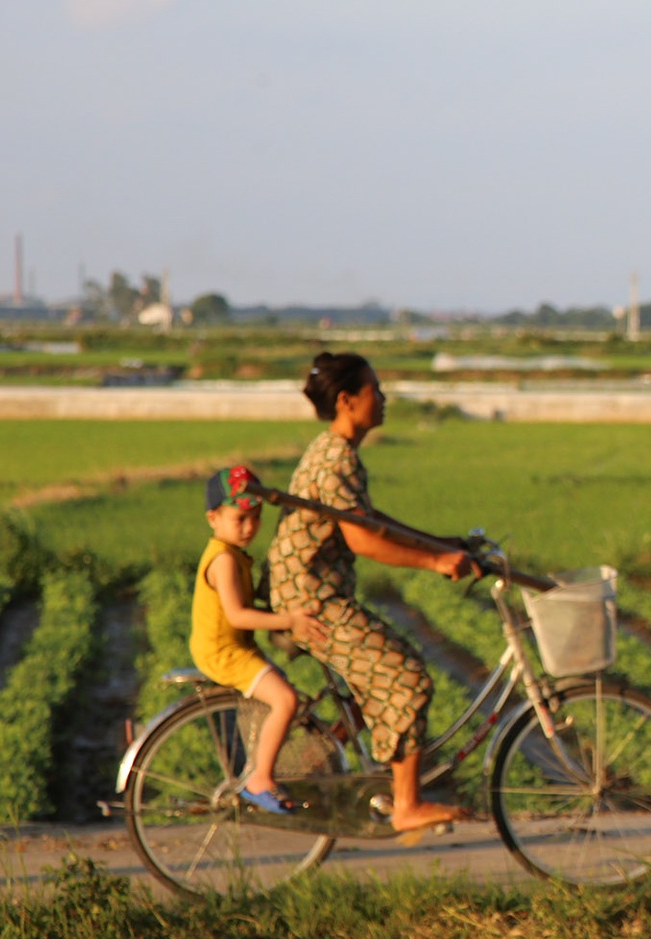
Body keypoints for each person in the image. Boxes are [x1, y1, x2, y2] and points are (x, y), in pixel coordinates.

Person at [266, 352, 475, 832]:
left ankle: (321, 771)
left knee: (375, 684)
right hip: (313, 604)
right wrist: (435, 561)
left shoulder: (336, 451)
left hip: (315, 595)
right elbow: (363, 540)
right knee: (407, 677)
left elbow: (370, 520)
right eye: (375, 391)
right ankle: (406, 805)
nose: (383, 399)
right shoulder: (336, 457)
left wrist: (442, 544)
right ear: (347, 401)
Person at [190, 465, 329, 813]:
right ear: (213, 518)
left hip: (233, 647)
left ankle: (261, 767)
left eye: (256, 517)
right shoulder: (223, 559)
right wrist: (290, 621)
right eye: (240, 518)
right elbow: (237, 615)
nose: (250, 527)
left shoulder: (232, 552)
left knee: (281, 694)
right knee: (285, 700)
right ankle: (260, 779)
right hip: (224, 652)